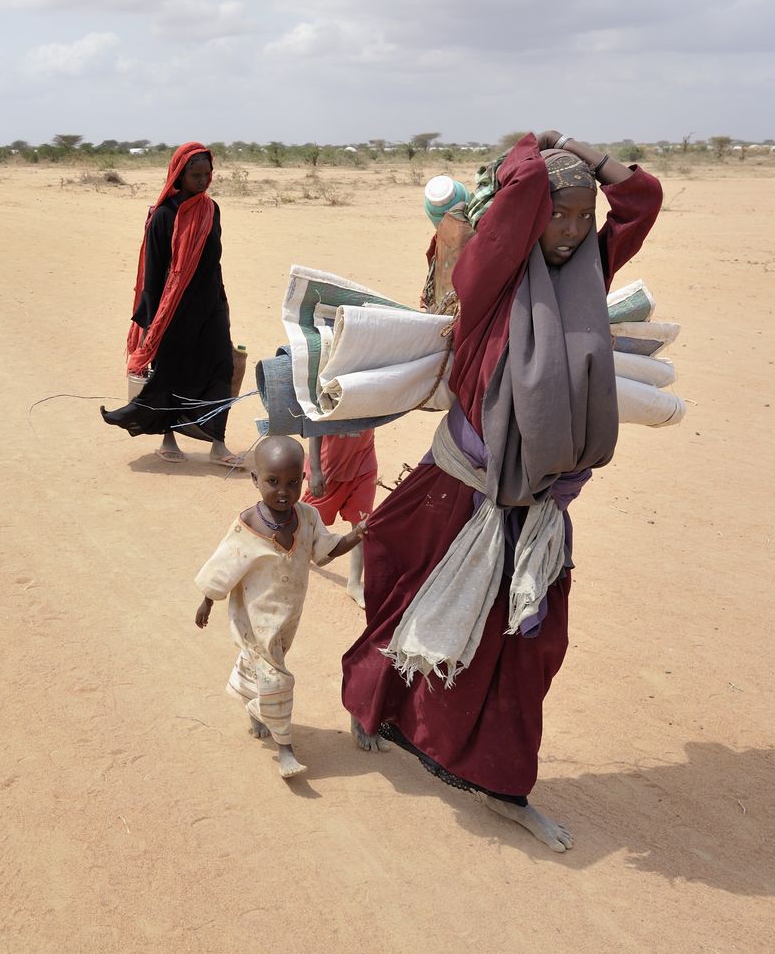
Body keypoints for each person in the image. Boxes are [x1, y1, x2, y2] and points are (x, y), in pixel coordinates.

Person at [340, 131, 663, 851]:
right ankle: (374, 707)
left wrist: (584, 153)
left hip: (540, 511)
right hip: (461, 485)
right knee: (408, 600)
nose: (573, 231)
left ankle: (502, 779)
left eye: (585, 216)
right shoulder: (490, 281)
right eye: (561, 215)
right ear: (532, 214)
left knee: (525, 648)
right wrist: (533, 148)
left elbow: (640, 201)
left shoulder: (589, 270)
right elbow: (516, 200)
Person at [195, 437, 365, 778]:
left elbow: (326, 551)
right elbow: (224, 565)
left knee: (265, 662)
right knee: (276, 676)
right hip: (254, 616)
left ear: (302, 480)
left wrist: (357, 534)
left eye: (292, 482)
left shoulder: (309, 517)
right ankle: (285, 747)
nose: (283, 491)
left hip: (287, 617)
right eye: (273, 482)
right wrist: (208, 601)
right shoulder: (247, 525)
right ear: (255, 479)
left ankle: (255, 705)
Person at [100, 143, 242, 467]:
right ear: (180, 175)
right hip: (173, 310)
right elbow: (153, 271)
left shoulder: (211, 210)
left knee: (222, 367)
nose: (204, 181)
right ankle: (168, 436)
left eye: (208, 174)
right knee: (171, 372)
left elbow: (213, 262)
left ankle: (218, 443)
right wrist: (152, 322)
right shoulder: (163, 216)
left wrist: (222, 305)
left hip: (210, 304)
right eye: (196, 175)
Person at [303, 431, 377, 608]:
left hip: (364, 465)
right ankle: (288, 558)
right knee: (305, 523)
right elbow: (316, 426)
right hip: (329, 469)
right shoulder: (333, 401)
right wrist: (315, 470)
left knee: (362, 527)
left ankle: (354, 583)